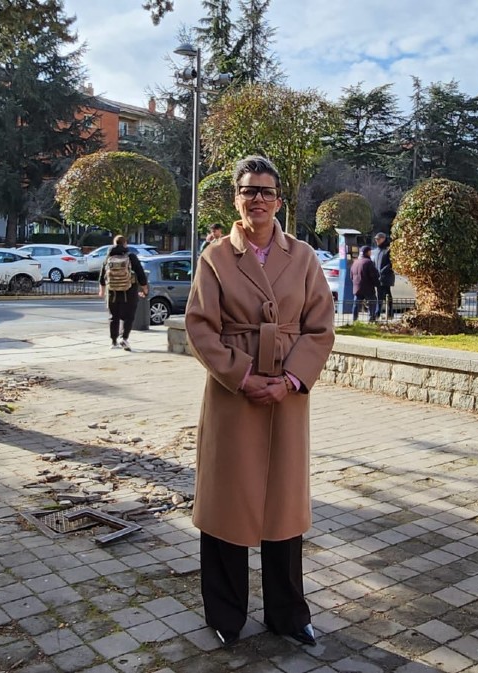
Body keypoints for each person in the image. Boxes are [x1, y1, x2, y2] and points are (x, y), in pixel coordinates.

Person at [184, 155, 335, 648]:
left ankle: (289, 615)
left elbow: (320, 328)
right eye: (249, 191)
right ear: (236, 198)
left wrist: (290, 379)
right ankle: (225, 616)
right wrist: (242, 374)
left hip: (287, 397)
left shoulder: (305, 257)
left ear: (279, 201)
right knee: (229, 504)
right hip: (234, 397)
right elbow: (200, 328)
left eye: (267, 192)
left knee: (283, 507)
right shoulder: (215, 258)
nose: (258, 200)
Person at [98, 235, 148, 351]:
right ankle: (124, 338)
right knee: (128, 316)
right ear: (125, 244)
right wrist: (145, 288)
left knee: (113, 316)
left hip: (112, 292)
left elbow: (102, 275)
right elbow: (140, 273)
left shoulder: (108, 257)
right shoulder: (131, 257)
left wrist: (102, 290)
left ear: (114, 243)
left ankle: (113, 341)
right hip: (129, 291)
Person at [350, 245, 379, 322]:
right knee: (372, 302)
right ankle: (371, 318)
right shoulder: (369, 262)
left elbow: (351, 276)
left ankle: (354, 319)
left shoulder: (355, 262)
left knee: (356, 303)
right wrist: (377, 283)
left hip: (357, 287)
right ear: (367, 252)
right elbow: (373, 275)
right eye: (370, 252)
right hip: (368, 287)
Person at [372, 232, 395, 320]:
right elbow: (375, 263)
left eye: (378, 239)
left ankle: (389, 313)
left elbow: (390, 263)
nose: (376, 241)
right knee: (380, 296)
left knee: (387, 295)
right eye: (376, 239)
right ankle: (378, 313)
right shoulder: (377, 251)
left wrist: (382, 271)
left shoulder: (388, 250)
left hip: (386, 277)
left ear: (383, 239)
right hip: (378, 277)